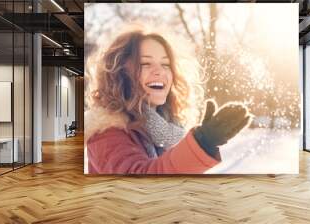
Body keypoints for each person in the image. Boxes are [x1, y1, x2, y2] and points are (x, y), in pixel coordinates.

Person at [85, 24, 251, 174]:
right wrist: (201, 144)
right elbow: (142, 186)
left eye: (165, 65)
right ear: (120, 74)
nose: (160, 71)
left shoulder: (169, 128)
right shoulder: (107, 133)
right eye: (145, 64)